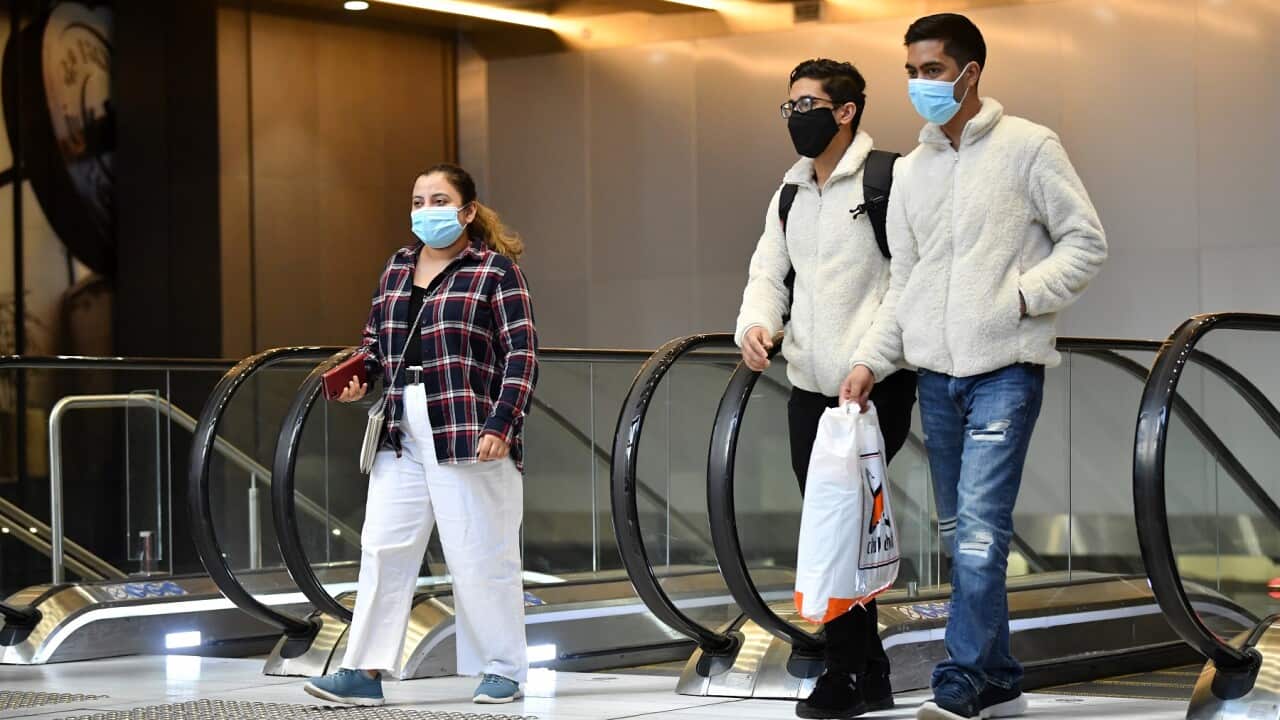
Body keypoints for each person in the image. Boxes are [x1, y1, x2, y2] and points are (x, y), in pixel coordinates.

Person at [845, 14, 1106, 720]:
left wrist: (1019, 298)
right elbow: (904, 281)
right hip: (936, 378)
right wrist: (871, 359)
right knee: (960, 534)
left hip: (1005, 370)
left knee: (982, 533)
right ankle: (999, 679)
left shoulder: (1028, 147)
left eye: (931, 70)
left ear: (970, 73)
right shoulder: (911, 171)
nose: (919, 84)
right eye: (911, 72)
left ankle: (960, 678)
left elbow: (1085, 242)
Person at [304, 163, 538, 707]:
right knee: (383, 547)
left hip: (466, 426)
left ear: (467, 211)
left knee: (480, 552)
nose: (426, 211)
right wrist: (358, 377)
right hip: (400, 425)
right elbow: (375, 344)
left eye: (439, 200)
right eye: (418, 201)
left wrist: (503, 423)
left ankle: (502, 669)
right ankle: (364, 670)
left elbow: (522, 356)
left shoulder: (495, 272)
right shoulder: (397, 267)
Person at [735, 58, 918, 720]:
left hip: (873, 389)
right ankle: (871, 671)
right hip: (809, 389)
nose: (796, 117)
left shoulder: (888, 179)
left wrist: (870, 362)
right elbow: (768, 272)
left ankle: (843, 674)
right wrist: (756, 325)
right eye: (789, 106)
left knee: (840, 526)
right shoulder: (790, 191)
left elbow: (908, 282)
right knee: (833, 524)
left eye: (807, 105)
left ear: (846, 111)